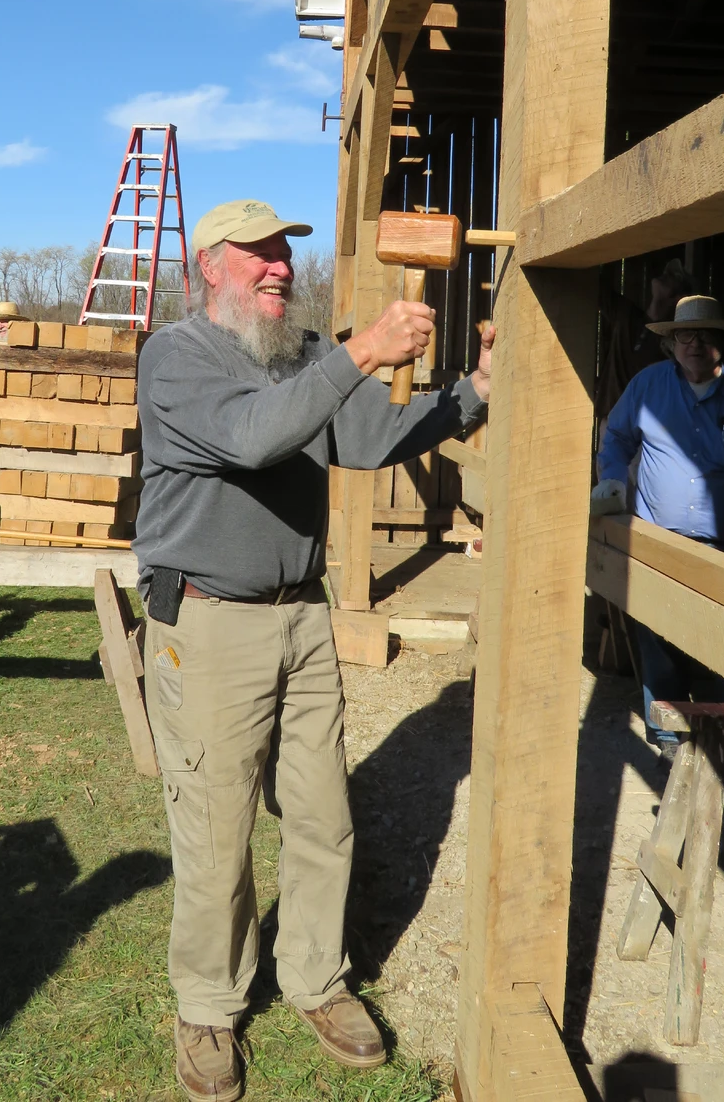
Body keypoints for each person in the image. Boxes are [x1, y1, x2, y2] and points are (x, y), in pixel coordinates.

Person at [133, 199, 495, 1102]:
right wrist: (363, 350)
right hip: (211, 625)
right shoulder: (175, 359)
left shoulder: (296, 356)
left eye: (284, 255)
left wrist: (474, 390)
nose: (278, 269)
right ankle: (209, 1006)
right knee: (217, 831)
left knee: (322, 814)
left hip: (301, 617)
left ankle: (316, 979)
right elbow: (257, 439)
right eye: (255, 254)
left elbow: (370, 438)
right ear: (208, 265)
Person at [591, 295, 724, 789]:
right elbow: (617, 436)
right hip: (659, 543)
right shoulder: (648, 386)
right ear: (669, 342)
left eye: (705, 335)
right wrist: (613, 480)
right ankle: (670, 742)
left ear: (722, 342)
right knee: (659, 644)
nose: (695, 344)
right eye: (684, 335)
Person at [595, 257, 695, 422]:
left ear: (677, 298)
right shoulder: (626, 314)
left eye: (674, 276)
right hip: (610, 423)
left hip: (642, 431)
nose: (665, 274)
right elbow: (594, 286)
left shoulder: (673, 344)